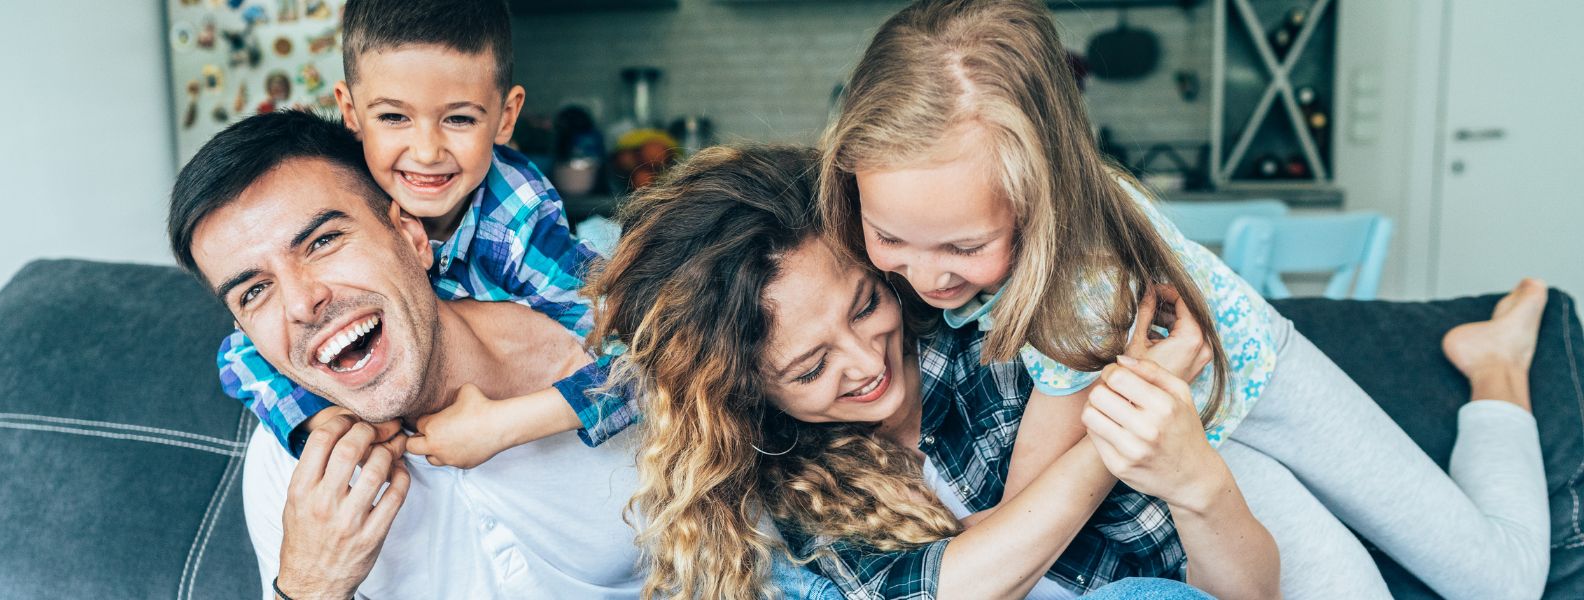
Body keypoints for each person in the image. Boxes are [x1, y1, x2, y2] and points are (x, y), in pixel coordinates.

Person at [817, 1, 1549, 598]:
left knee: (1501, 582)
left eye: (965, 249)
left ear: (1042, 200)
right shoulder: (899, 228)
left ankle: (1495, 371)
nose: (926, 278)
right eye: (890, 239)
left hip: (1258, 388)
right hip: (1192, 446)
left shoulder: (1083, 287)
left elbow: (1022, 519)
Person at [589, 144, 1274, 600]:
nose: (866, 363)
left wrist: (1176, 460)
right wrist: (1117, 426)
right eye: (810, 368)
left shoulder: (1007, 348)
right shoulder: (798, 490)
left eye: (864, 305)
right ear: (748, 394)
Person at [214, 0, 634, 466]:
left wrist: (501, 426)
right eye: (394, 118)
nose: (428, 152)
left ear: (506, 117)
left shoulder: (517, 223)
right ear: (350, 112)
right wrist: (326, 421)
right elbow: (240, 357)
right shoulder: (341, 193)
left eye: (459, 119)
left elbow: (645, 365)